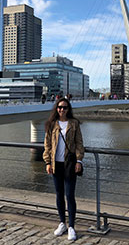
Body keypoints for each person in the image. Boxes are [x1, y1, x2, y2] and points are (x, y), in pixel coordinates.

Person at [43, 98, 84, 241]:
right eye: (60, 107)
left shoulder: (74, 124)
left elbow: (79, 143)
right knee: (59, 195)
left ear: (68, 109)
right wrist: (47, 162)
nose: (62, 110)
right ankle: (62, 223)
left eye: (65, 107)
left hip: (70, 165)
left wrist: (79, 160)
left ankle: (72, 226)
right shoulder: (51, 124)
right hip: (56, 165)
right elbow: (47, 145)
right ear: (56, 108)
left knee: (70, 195)